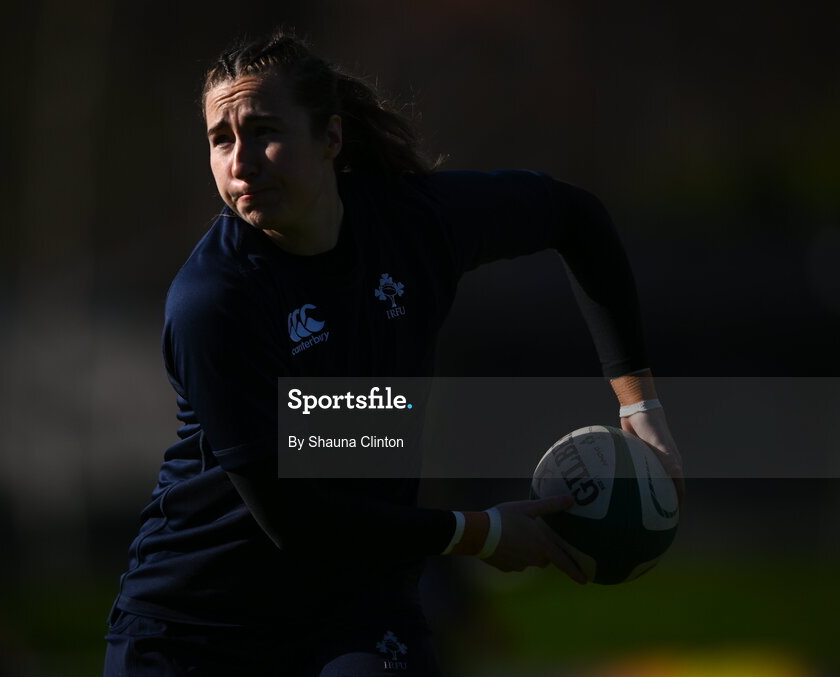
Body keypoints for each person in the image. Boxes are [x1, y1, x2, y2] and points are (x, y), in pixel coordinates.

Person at [104, 31, 684, 677]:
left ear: (331, 138)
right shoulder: (213, 300)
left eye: (264, 130)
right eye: (220, 139)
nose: (240, 162)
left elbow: (575, 218)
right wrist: (483, 532)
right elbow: (294, 520)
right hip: (198, 626)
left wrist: (641, 405)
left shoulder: (413, 226)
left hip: (356, 608)